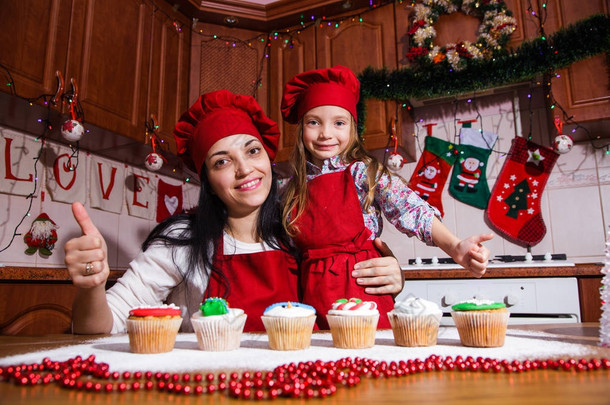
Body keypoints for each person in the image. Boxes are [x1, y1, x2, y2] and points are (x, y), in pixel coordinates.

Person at [65, 89, 404, 334]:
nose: (245, 169)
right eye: (223, 161)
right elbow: (99, 326)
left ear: (268, 159)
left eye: (252, 151)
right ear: (209, 181)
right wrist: (91, 287)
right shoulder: (183, 242)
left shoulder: (300, 228)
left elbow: (344, 291)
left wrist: (390, 276)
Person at [280, 65, 494, 329]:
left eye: (338, 123)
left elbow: (412, 210)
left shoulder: (364, 173)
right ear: (301, 128)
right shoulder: (289, 190)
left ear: (352, 129)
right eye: (314, 122)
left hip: (365, 297)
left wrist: (455, 247)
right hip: (311, 306)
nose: (326, 133)